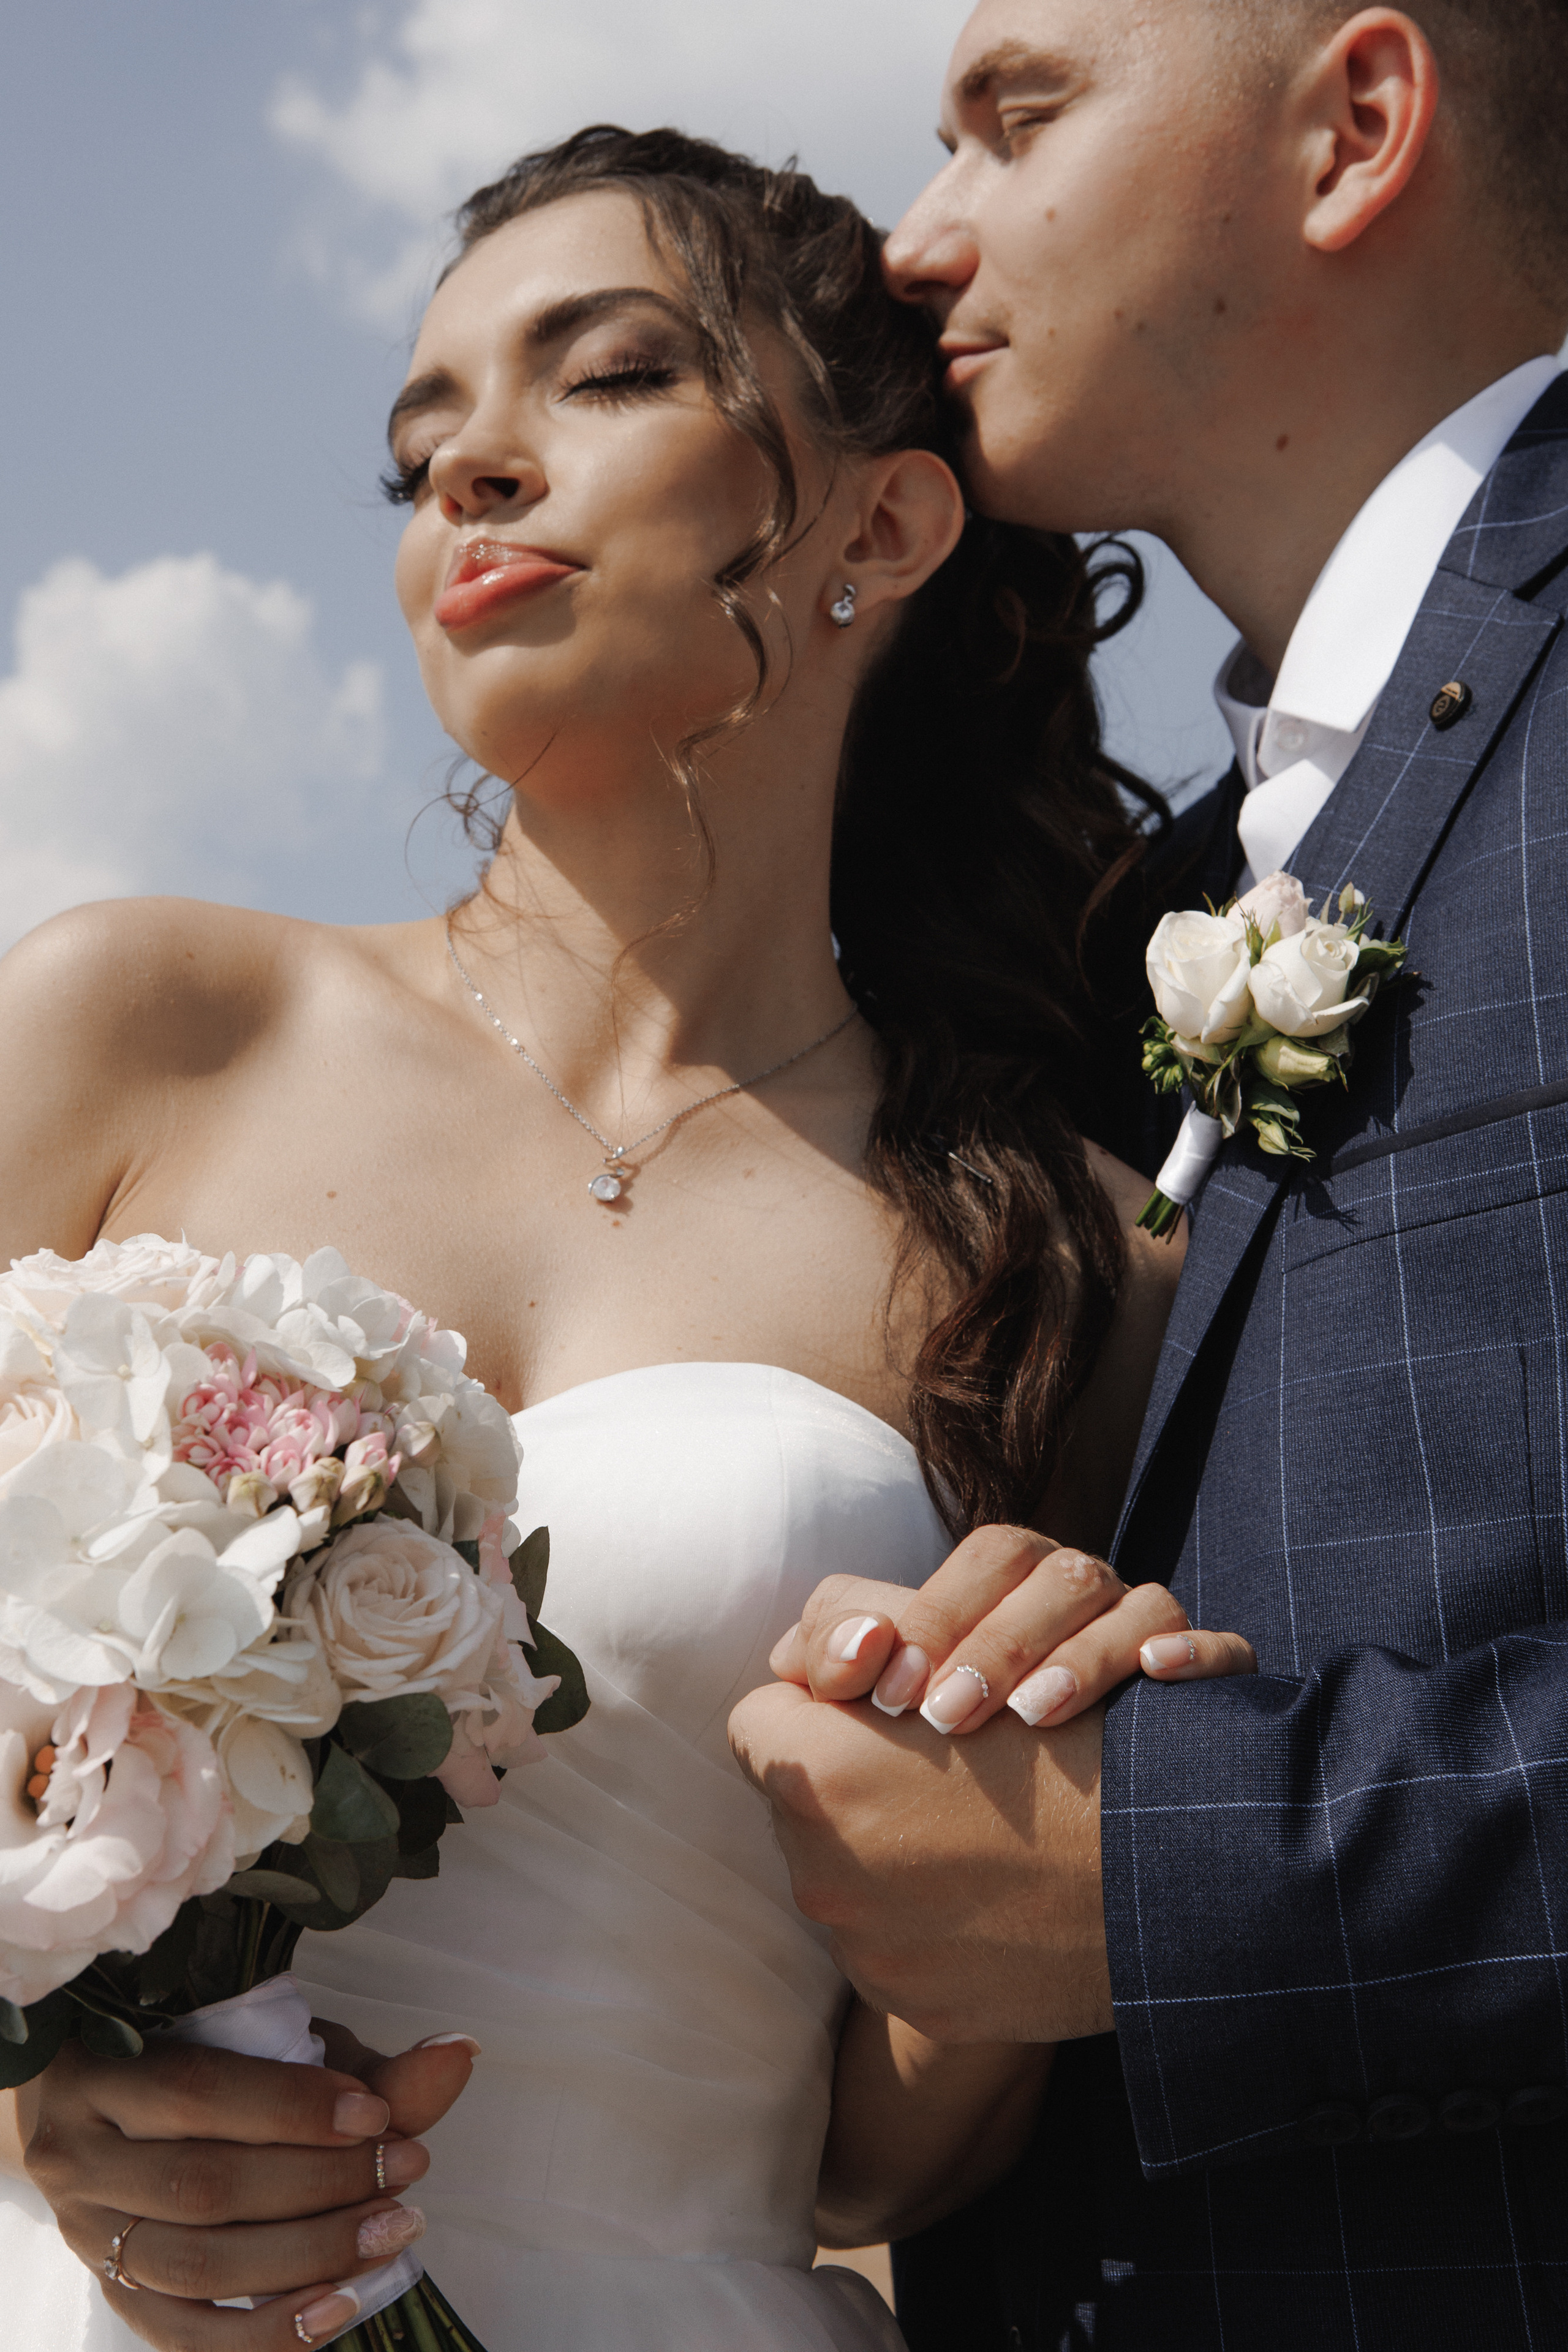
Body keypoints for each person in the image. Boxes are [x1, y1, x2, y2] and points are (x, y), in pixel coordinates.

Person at [0, 129, 1256, 2352]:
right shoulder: (133, 1027)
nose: (472, 467)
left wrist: (1041, 1797)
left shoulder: (1068, 1262)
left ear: (882, 521)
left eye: (604, 376)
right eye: (419, 445)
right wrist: (41, 2108)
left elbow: (881, 2152)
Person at [728, 2, 1568, 2345]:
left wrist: (1175, 1880)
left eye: (1016, 117)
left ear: (1358, 127)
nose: (920, 240)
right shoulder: (1123, 917)